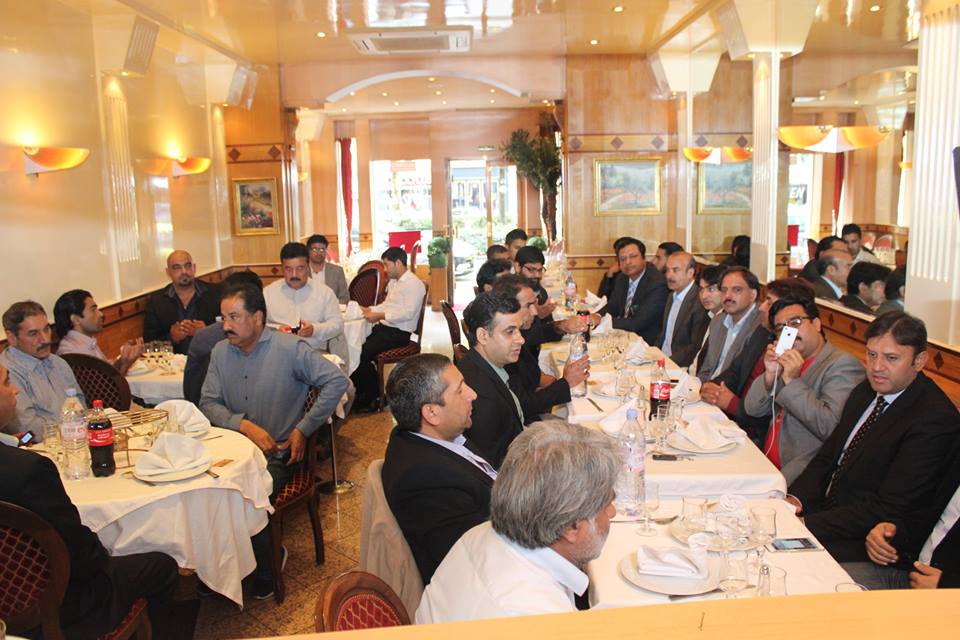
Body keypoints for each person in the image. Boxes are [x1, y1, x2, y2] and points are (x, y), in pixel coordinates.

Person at [0, 363, 178, 638]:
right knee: (161, 565)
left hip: (8, 596)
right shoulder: (28, 470)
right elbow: (82, 555)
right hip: (58, 606)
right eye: (6, 383)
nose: (15, 390)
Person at [199, 280, 349, 598]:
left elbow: (337, 381)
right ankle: (221, 567)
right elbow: (208, 402)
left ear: (257, 318)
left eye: (234, 317)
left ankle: (267, 561)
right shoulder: (220, 353)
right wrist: (243, 425)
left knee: (248, 492)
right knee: (202, 492)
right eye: (224, 318)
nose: (226, 326)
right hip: (232, 450)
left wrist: (304, 428)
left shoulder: (289, 348)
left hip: (278, 453)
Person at [787, 312, 960, 564]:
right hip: (826, 513)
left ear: (919, 361)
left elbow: (887, 507)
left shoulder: (934, 418)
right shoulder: (866, 391)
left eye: (891, 358)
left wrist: (806, 524)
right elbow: (828, 457)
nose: (877, 367)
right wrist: (795, 500)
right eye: (871, 355)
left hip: (868, 540)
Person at [416, 420, 619, 623]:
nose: (612, 512)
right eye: (607, 503)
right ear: (571, 527)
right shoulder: (532, 615)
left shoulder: (481, 533)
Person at [381, 354, 494, 584]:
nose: (473, 394)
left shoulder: (437, 435)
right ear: (431, 413)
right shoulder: (424, 479)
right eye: (460, 390)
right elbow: (477, 558)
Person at [743, 297, 864, 482]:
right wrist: (770, 375)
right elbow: (753, 409)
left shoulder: (842, 365)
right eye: (781, 328)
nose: (789, 332)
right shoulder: (788, 361)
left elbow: (830, 427)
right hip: (765, 461)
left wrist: (792, 381)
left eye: (795, 323)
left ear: (816, 324)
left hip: (801, 473)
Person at [701, 278, 814, 445]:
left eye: (769, 302)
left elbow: (772, 414)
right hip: (731, 420)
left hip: (757, 438)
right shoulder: (762, 331)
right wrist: (713, 387)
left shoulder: (795, 351)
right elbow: (735, 370)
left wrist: (732, 404)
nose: (761, 307)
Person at [856, 442, 960, 590]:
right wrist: (892, 531)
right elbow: (929, 514)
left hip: (947, 595)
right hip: (909, 573)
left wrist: (949, 587)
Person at [493, 275, 588, 418]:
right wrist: (565, 383)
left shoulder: (515, 334)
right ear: (508, 308)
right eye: (528, 306)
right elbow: (523, 407)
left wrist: (562, 326)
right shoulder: (502, 347)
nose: (535, 312)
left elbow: (536, 335)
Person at [458, 292, 529, 468]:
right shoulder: (479, 394)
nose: (521, 339)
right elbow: (496, 465)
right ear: (483, 336)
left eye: (519, 330)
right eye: (509, 332)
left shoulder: (492, 364)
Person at [350, 247, 426, 411]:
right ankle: (363, 394)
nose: (384, 269)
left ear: (398, 263)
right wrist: (369, 309)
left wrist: (380, 315)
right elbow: (387, 305)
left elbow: (407, 313)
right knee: (353, 347)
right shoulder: (394, 282)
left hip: (399, 333)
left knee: (360, 353)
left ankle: (374, 398)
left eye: (386, 264)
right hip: (386, 329)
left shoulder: (413, 284)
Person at [1, 301, 84, 441]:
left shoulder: (58, 363)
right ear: (12, 338)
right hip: (37, 448)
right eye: (33, 334)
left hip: (76, 439)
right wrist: (73, 429)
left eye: (46, 329)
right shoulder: (6, 375)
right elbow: (27, 430)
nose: (45, 339)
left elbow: (81, 405)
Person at [182, 270, 263, 405]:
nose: (227, 327)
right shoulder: (210, 340)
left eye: (235, 316)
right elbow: (195, 393)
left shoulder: (277, 342)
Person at [263, 242, 346, 362]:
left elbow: (337, 325)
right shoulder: (268, 293)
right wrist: (277, 330)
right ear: (282, 268)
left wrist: (314, 330)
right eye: (288, 269)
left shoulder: (324, 293)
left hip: (314, 353)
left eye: (300, 268)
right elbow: (257, 326)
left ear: (308, 267)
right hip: (277, 354)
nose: (294, 274)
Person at [591, 238, 668, 345]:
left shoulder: (657, 283)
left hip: (646, 344)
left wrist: (602, 321)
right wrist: (596, 316)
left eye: (633, 256)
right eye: (623, 259)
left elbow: (637, 322)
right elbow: (613, 307)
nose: (628, 262)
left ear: (644, 258)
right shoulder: (622, 278)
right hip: (625, 338)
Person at [143, 249, 221, 354]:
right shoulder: (156, 301)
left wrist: (207, 332)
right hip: (173, 361)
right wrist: (172, 338)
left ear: (194, 268)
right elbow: (149, 343)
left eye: (188, 266)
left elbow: (230, 332)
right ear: (168, 272)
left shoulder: (216, 293)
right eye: (177, 267)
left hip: (209, 359)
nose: (184, 271)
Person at [694, 266, 762, 383]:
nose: (728, 296)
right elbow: (706, 369)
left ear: (753, 295)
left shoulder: (760, 327)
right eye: (724, 290)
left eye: (737, 290)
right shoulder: (718, 321)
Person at [54, 289, 144, 375]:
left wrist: (123, 359)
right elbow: (105, 384)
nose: (101, 314)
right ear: (76, 319)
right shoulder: (71, 352)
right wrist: (125, 365)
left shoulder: (87, 341)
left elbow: (107, 372)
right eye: (93, 310)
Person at [655, 252, 709, 367]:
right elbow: (664, 334)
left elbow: (694, 347)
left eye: (675, 270)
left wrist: (665, 362)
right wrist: (652, 355)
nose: (669, 276)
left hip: (678, 365)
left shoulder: (700, 301)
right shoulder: (671, 295)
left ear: (690, 273)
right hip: (662, 359)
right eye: (667, 270)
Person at [306, 234, 349, 304]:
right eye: (314, 249)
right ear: (308, 251)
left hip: (332, 309)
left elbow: (345, 298)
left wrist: (331, 306)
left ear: (326, 251)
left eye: (322, 249)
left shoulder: (337, 271)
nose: (318, 253)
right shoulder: (302, 271)